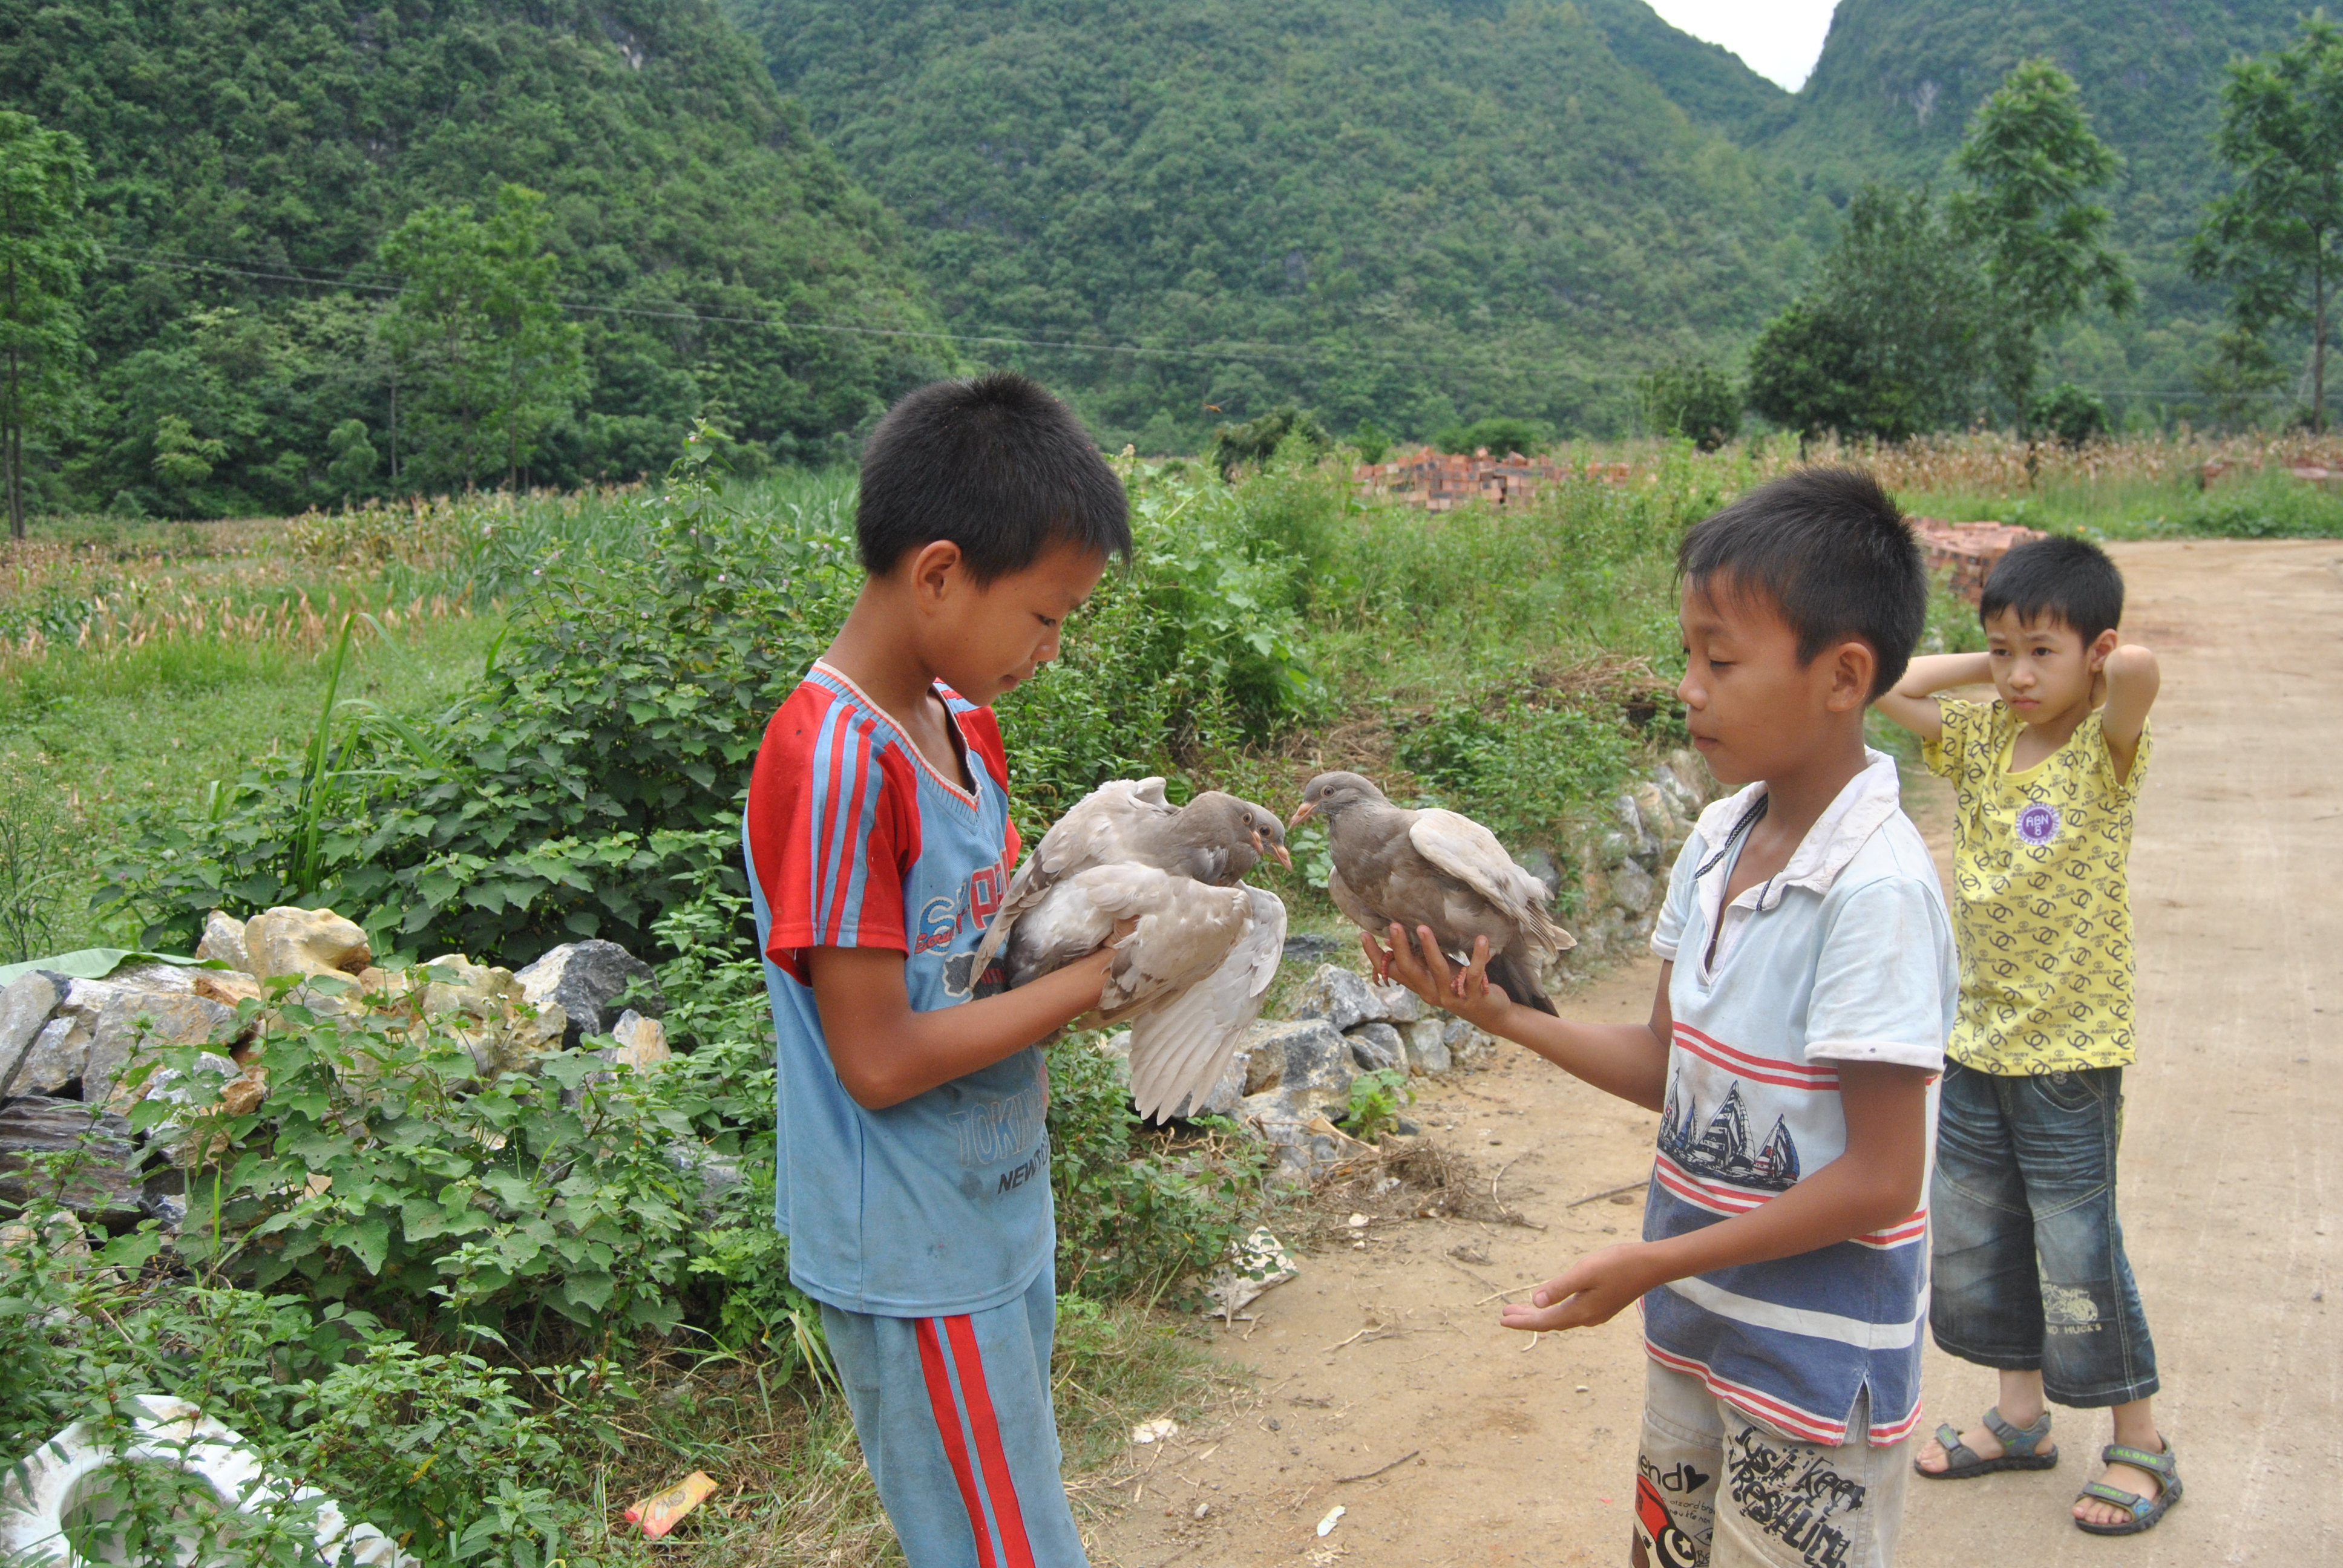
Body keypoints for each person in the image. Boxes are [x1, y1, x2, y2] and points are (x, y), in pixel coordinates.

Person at [1375, 468, 1955, 1568]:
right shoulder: (1719, 840)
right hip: (1696, 1331)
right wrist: (1502, 1017)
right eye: (1688, 654)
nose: (1687, 687)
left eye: (1720, 660)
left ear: (1844, 677)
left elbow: (1882, 1179)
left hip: (1814, 1375)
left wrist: (1651, 1262)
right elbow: (1665, 1062)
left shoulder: (1877, 893)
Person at [741, 372, 1131, 1567]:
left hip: (992, 1212)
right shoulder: (840, 762)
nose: (1051, 653)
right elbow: (875, 1057)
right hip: (912, 1255)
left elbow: (986, 958)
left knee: (1007, 1523)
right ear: (940, 574)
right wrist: (1091, 985)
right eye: (1046, 617)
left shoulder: (962, 727)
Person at [1874, 534, 2176, 1536]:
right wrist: (1999, 660)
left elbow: (2137, 672)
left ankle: (2141, 1443)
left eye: (2041, 652)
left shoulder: (2106, 751)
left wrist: (2084, 666)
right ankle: (2021, 1419)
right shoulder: (1981, 741)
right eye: (2002, 651)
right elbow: (1893, 687)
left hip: (2071, 1056)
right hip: (1979, 1044)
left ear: (2091, 651)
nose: (2016, 674)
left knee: (2079, 1247)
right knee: (1983, 1239)